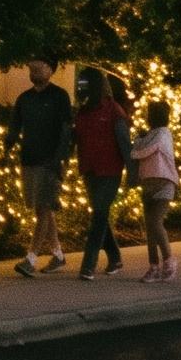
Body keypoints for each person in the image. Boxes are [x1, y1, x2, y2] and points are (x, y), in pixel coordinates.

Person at [5, 57, 73, 277]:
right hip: (30, 159)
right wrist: (6, 149)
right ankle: (58, 255)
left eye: (39, 67)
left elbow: (66, 129)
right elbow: (15, 126)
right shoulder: (24, 99)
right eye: (31, 67)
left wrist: (61, 158)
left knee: (44, 207)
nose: (34, 70)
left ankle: (30, 259)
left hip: (51, 161)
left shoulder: (59, 96)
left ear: (51, 70)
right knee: (41, 208)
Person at [72, 69, 132, 280]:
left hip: (110, 170)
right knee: (100, 214)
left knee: (98, 214)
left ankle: (88, 265)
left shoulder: (114, 110)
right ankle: (115, 258)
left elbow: (125, 143)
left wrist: (133, 173)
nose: (81, 88)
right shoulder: (82, 112)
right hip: (90, 170)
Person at [128, 99, 178, 282]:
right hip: (148, 185)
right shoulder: (149, 134)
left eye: (150, 113)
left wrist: (135, 149)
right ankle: (153, 266)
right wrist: (138, 142)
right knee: (150, 228)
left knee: (155, 222)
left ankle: (169, 260)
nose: (147, 116)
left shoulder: (163, 134)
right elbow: (139, 145)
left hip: (164, 184)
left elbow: (146, 149)